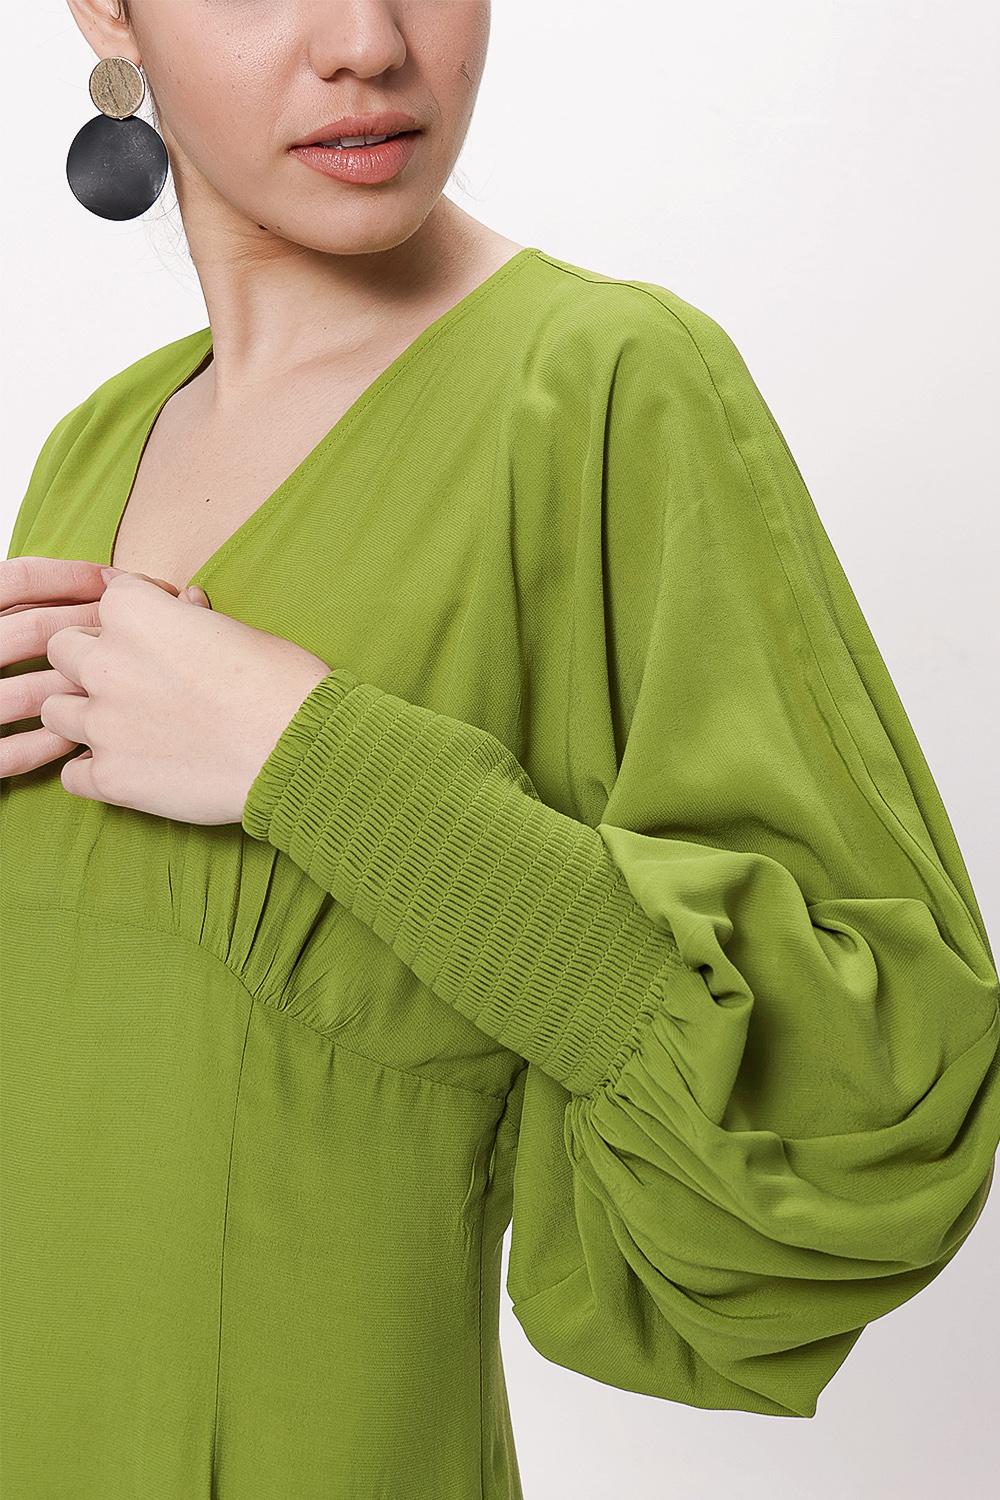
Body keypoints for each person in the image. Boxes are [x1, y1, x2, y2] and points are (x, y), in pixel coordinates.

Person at [1, 2, 998, 1496]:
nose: (367, 41)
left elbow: (866, 1105)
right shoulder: (94, 445)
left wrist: (320, 767)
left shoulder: (604, 386)